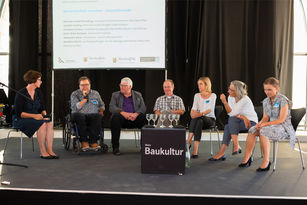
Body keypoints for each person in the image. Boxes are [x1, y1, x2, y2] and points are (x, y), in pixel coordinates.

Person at [239, 77, 295, 171]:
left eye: (269, 89)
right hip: (270, 125)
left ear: (276, 88)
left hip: (283, 127)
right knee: (252, 130)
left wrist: (265, 125)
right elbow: (265, 117)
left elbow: (281, 120)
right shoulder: (266, 101)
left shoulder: (283, 100)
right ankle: (247, 159)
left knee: (264, 131)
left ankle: (266, 161)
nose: (267, 92)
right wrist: (259, 124)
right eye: (265, 89)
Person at [14, 70, 59, 159]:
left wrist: (45, 115)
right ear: (33, 81)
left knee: (49, 123)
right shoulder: (21, 93)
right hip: (22, 119)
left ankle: (50, 150)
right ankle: (43, 151)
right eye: (39, 80)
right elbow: (19, 113)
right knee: (42, 124)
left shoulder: (38, 92)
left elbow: (42, 108)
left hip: (36, 117)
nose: (41, 82)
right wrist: (35, 116)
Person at [209, 80, 258, 161]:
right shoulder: (230, 97)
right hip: (239, 121)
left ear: (238, 91)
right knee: (228, 126)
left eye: (231, 90)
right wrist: (243, 117)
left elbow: (233, 113)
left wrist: (225, 102)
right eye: (229, 89)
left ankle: (230, 148)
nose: (228, 91)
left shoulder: (245, 99)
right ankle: (233, 147)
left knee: (230, 122)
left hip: (251, 122)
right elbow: (230, 113)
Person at [109, 77, 147, 155]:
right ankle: (115, 147)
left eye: (124, 86)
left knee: (143, 118)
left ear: (130, 86)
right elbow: (111, 107)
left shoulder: (138, 94)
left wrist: (135, 114)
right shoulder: (115, 95)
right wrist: (123, 113)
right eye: (121, 85)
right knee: (115, 117)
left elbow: (143, 107)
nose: (121, 87)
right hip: (121, 119)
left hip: (135, 118)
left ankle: (144, 147)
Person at [70, 76, 105, 151]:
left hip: (93, 115)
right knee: (80, 116)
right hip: (79, 114)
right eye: (82, 85)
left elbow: (101, 104)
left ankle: (93, 142)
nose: (85, 87)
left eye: (87, 84)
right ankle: (84, 142)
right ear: (79, 86)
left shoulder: (95, 93)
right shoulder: (75, 94)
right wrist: (85, 97)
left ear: (90, 85)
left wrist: (101, 111)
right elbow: (77, 107)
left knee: (98, 116)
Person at [187, 77, 216, 158]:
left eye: (201, 84)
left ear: (206, 85)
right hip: (199, 120)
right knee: (199, 121)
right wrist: (192, 113)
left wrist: (198, 114)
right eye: (198, 84)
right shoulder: (197, 95)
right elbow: (193, 108)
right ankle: (195, 151)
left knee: (198, 118)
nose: (199, 86)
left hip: (210, 120)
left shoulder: (213, 95)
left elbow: (209, 110)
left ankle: (188, 141)